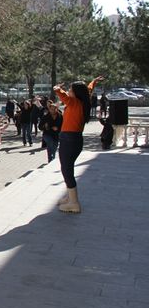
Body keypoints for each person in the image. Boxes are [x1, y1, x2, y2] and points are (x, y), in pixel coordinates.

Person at [53, 79, 94, 213]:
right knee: (67, 168)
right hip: (74, 139)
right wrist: (93, 82)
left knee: (66, 170)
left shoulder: (75, 102)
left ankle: (74, 203)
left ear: (76, 93)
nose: (69, 91)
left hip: (69, 139)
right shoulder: (83, 102)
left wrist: (57, 88)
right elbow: (88, 89)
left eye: (71, 90)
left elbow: (63, 96)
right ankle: (69, 197)